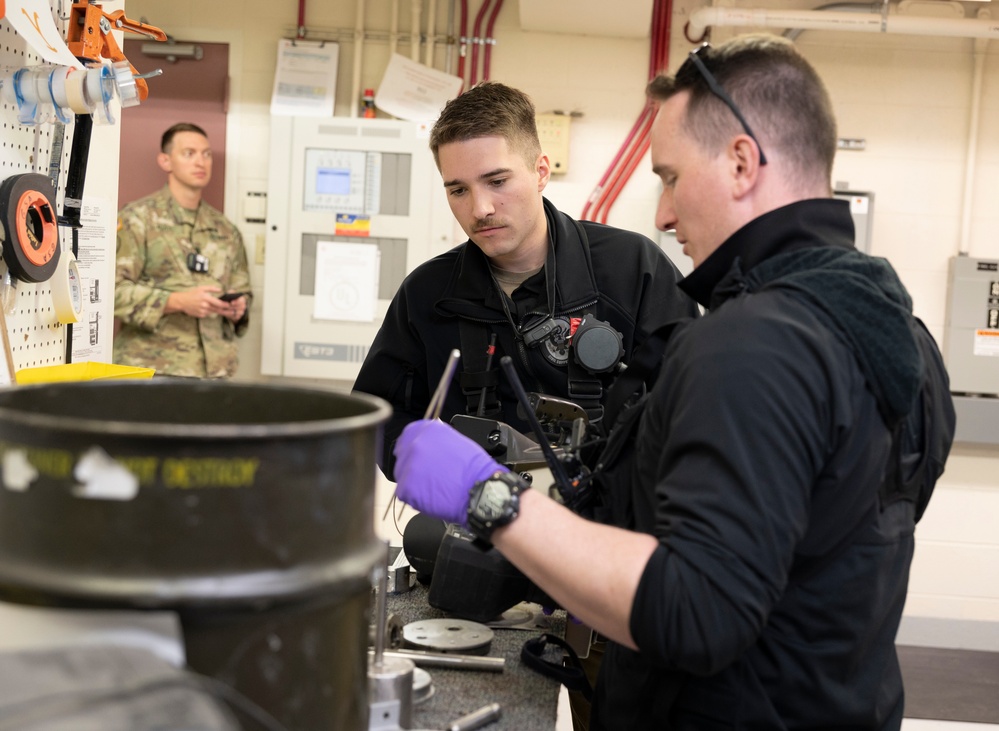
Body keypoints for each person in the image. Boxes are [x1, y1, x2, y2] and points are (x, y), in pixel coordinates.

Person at [390, 35, 955, 729]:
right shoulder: (898, 330)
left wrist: (490, 498)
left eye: (669, 177)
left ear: (741, 162)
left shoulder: (751, 343)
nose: (660, 212)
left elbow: (696, 611)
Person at [353, 81, 697, 480]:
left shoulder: (634, 269)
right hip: (476, 522)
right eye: (459, 190)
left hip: (610, 522)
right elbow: (375, 415)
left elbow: (697, 407)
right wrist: (425, 461)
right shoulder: (426, 295)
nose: (480, 209)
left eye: (497, 182)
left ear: (540, 171)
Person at [114, 122, 252, 378]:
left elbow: (243, 292)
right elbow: (110, 293)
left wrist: (238, 308)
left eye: (206, 154)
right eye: (189, 153)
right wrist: (177, 301)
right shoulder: (137, 219)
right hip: (153, 371)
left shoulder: (226, 230)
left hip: (214, 373)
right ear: (166, 161)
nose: (200, 162)